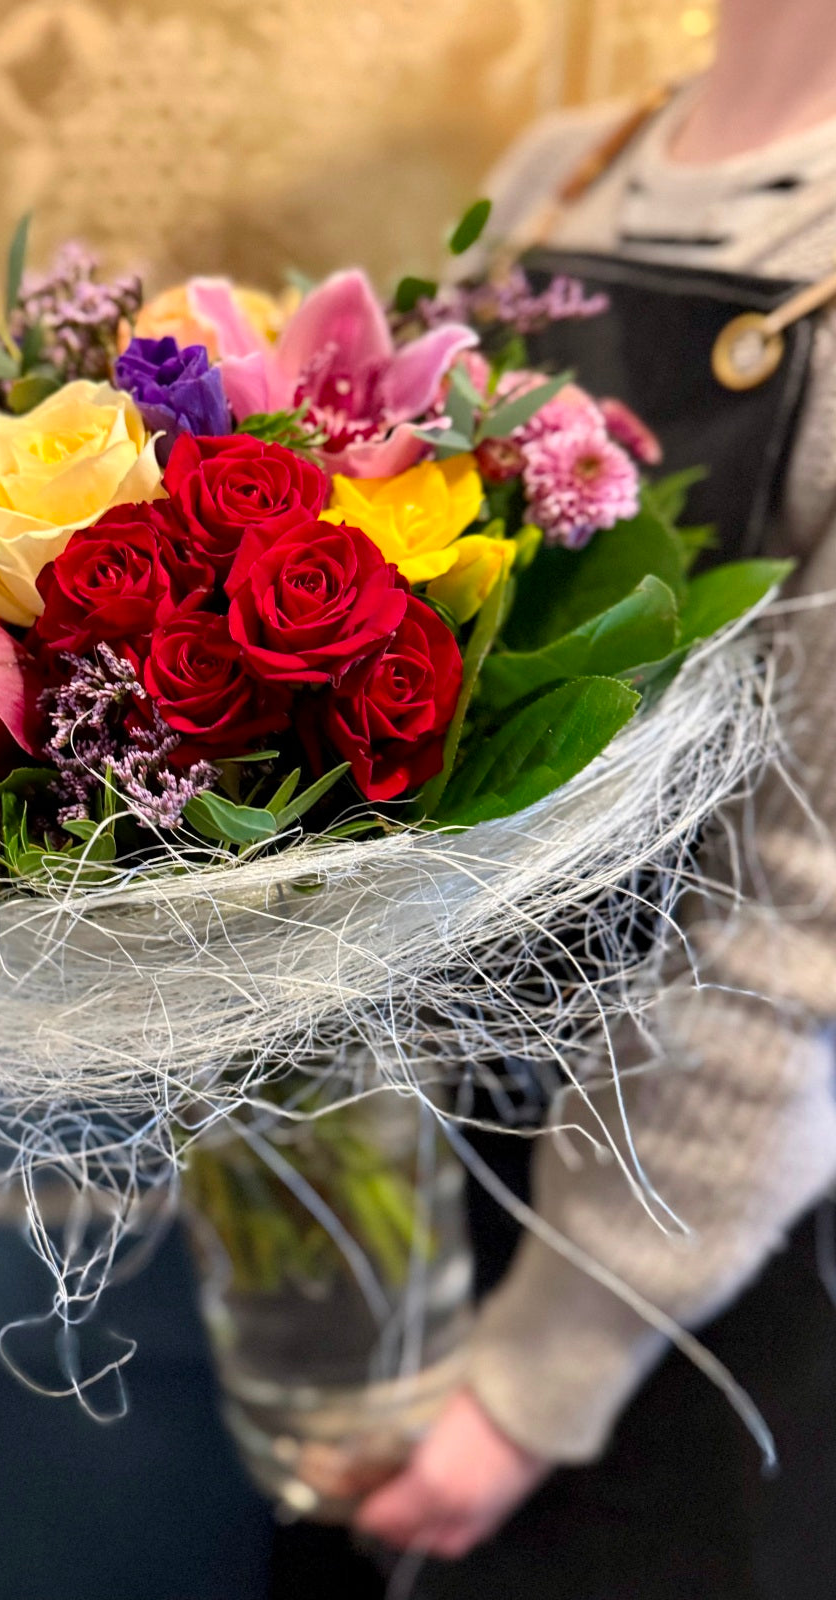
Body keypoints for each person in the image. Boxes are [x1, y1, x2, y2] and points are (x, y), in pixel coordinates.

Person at [340, 1, 836, 1589]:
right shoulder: (560, 179)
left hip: (682, 1270)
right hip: (445, 1179)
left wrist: (545, 1368)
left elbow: (798, 911)